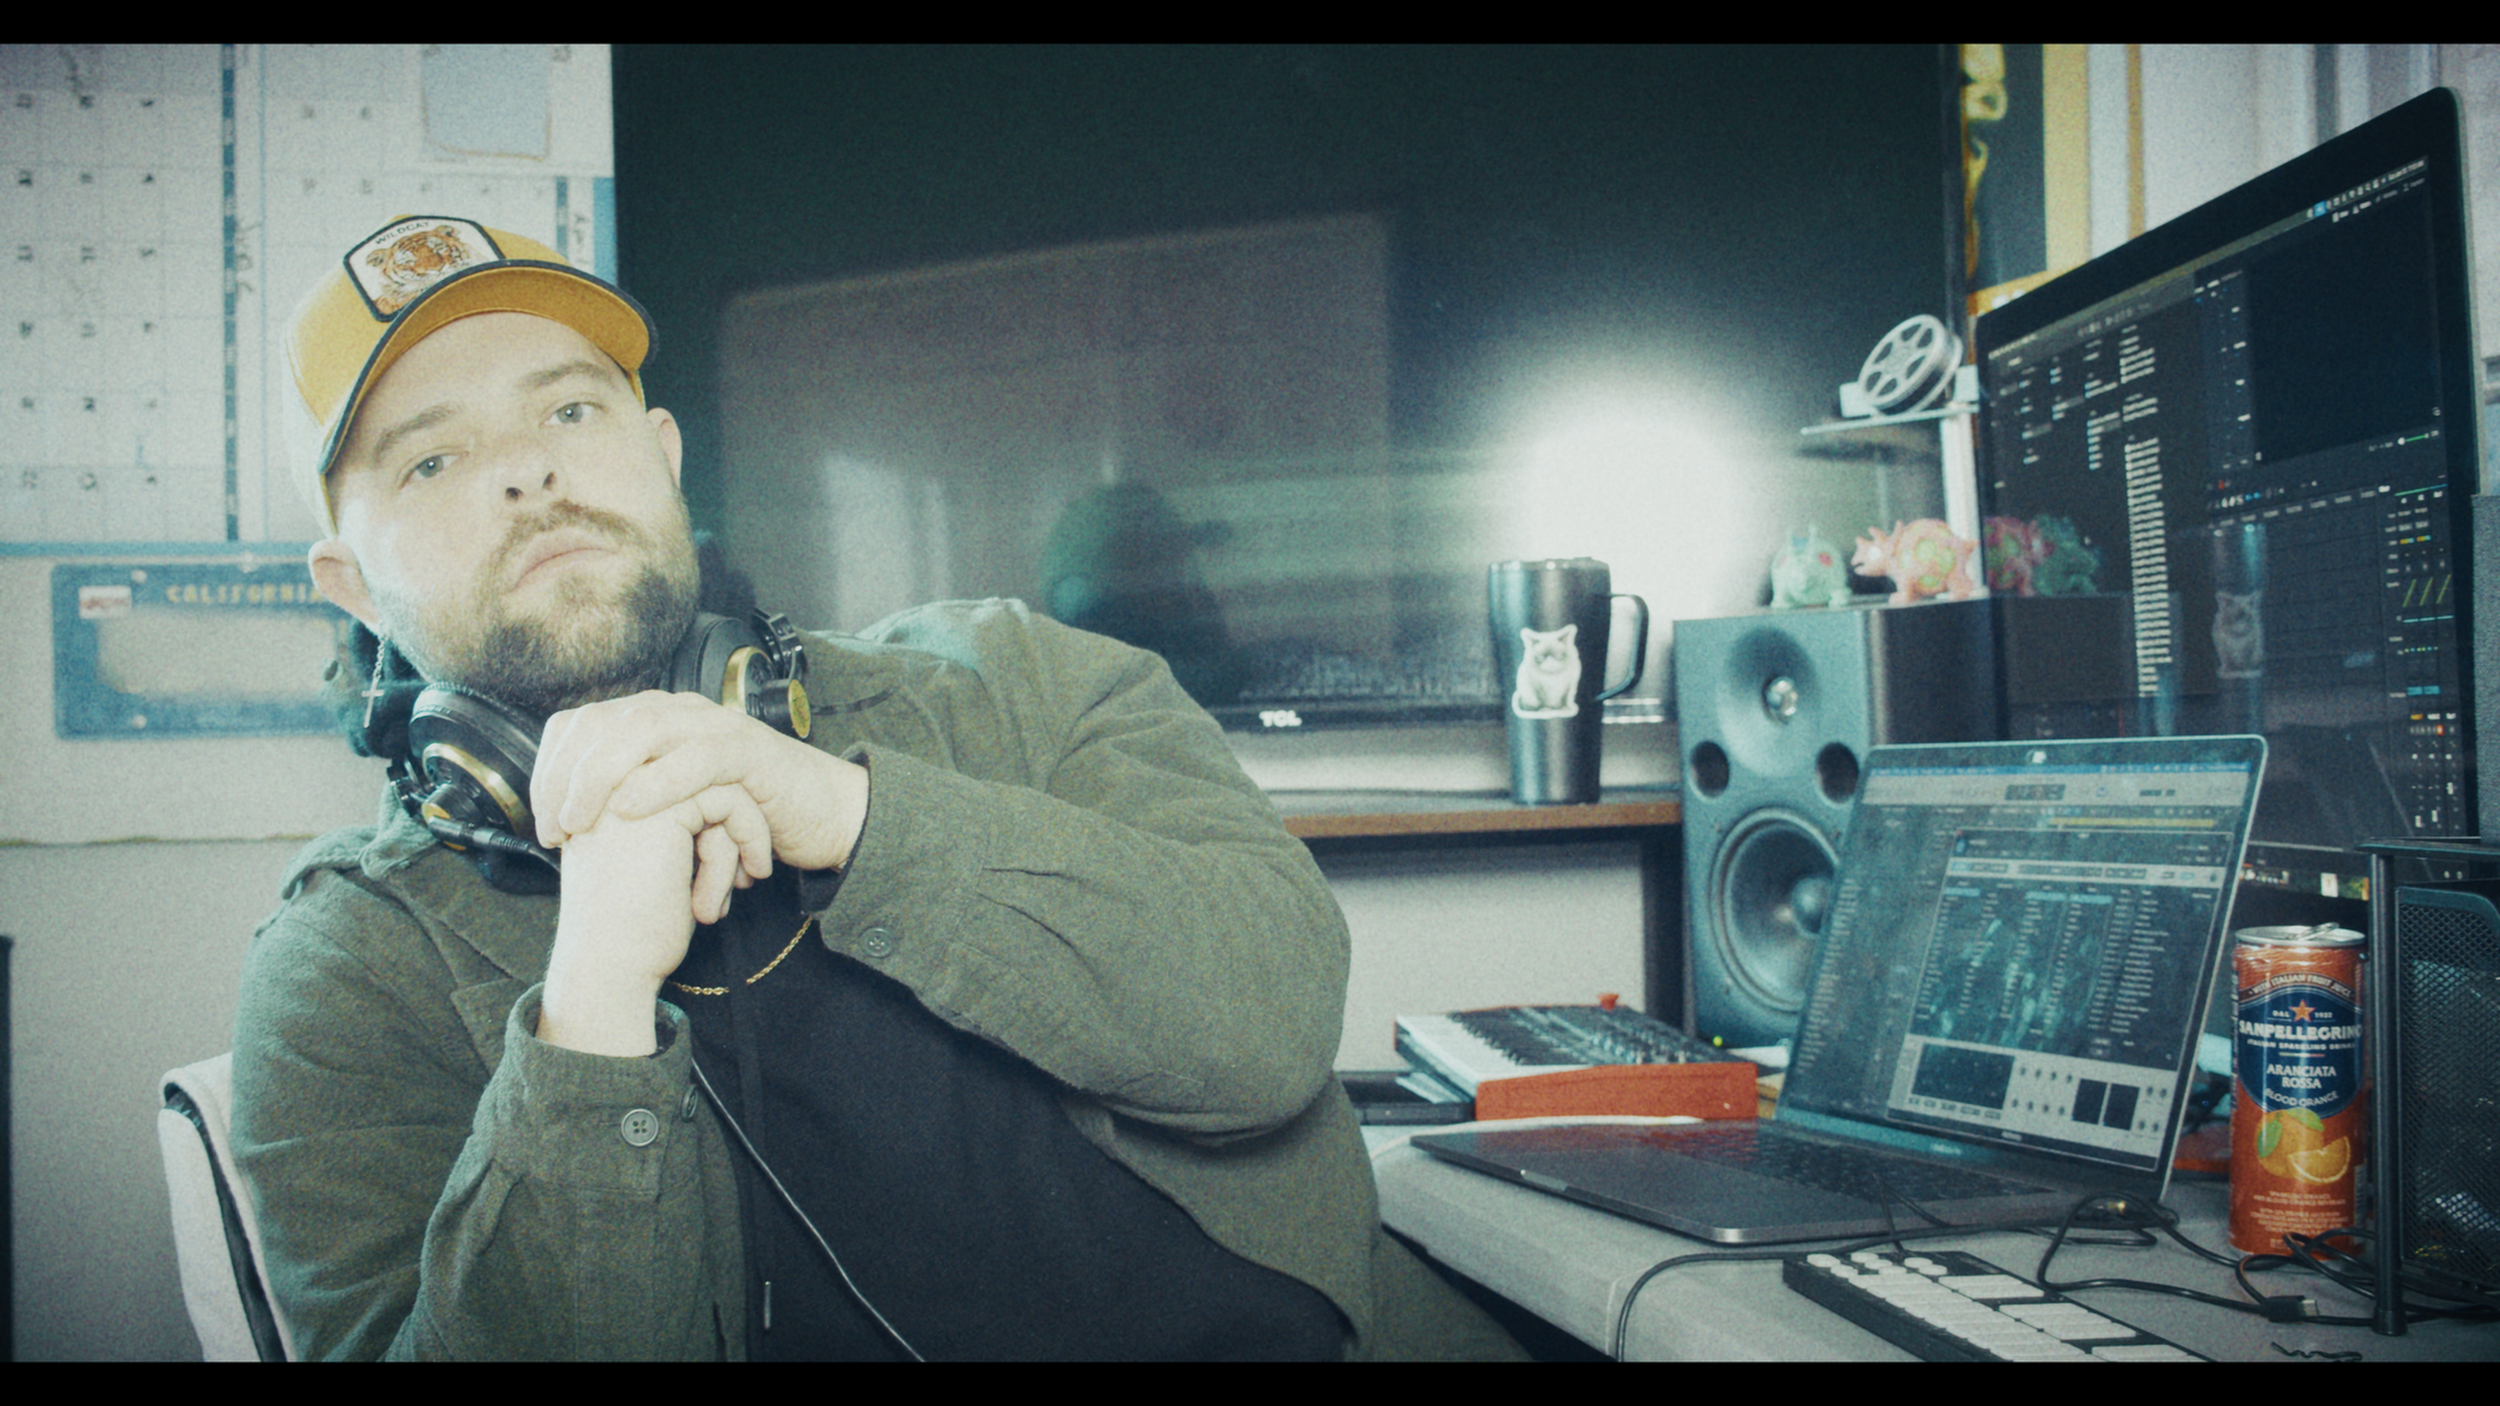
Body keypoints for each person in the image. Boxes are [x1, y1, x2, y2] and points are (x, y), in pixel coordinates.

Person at [230, 215, 1520, 1361]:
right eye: (430, 461)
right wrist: (591, 1014)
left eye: (570, 411)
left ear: (662, 455)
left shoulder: (1023, 677)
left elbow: (1271, 1022)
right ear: (351, 584)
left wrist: (851, 817)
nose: (528, 470)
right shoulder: (347, 970)